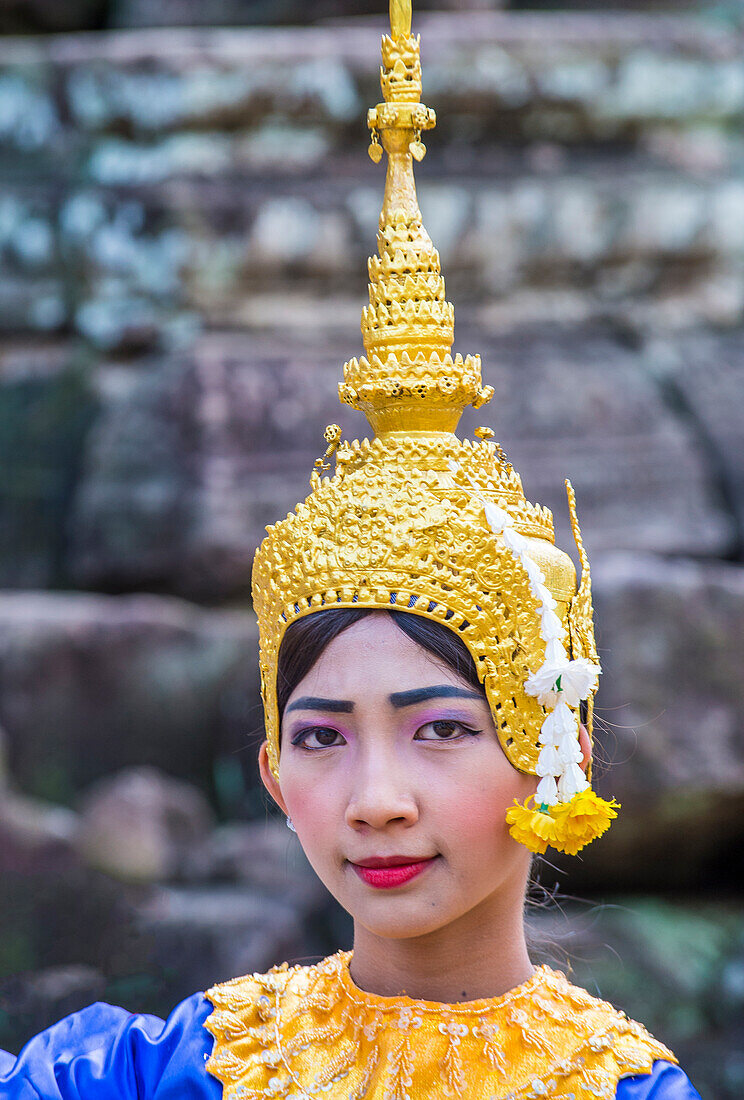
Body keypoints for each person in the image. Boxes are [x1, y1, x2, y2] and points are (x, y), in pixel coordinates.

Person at [1, 2, 702, 1097]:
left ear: (558, 753)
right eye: (322, 737)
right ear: (274, 774)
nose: (376, 797)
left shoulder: (623, 1087)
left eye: (441, 728)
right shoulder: (177, 1067)